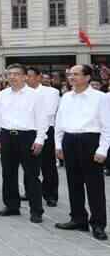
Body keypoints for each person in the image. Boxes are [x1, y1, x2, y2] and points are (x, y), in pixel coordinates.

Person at [54, 64, 110, 240]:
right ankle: (78, 218)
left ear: (87, 77)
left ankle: (98, 224)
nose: (72, 77)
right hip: (69, 140)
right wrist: (58, 145)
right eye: (70, 74)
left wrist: (103, 149)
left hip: (90, 140)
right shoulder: (66, 97)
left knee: (94, 186)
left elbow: (107, 126)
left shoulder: (100, 98)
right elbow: (59, 122)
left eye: (76, 74)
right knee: (74, 183)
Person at [0, 64, 46, 223]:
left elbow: (42, 119)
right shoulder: (2, 94)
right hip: (7, 136)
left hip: (28, 136)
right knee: (8, 173)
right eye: (10, 74)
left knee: (32, 175)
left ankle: (36, 210)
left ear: (25, 76)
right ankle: (12, 206)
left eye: (16, 74)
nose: (12, 77)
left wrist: (40, 139)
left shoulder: (35, 95)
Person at [26, 67, 60, 207]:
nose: (27, 79)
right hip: (28, 130)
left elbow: (48, 112)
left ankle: (50, 194)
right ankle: (30, 192)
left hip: (46, 129)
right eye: (26, 76)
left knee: (48, 164)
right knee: (28, 164)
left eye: (30, 76)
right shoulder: (22, 92)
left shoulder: (51, 92)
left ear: (39, 77)